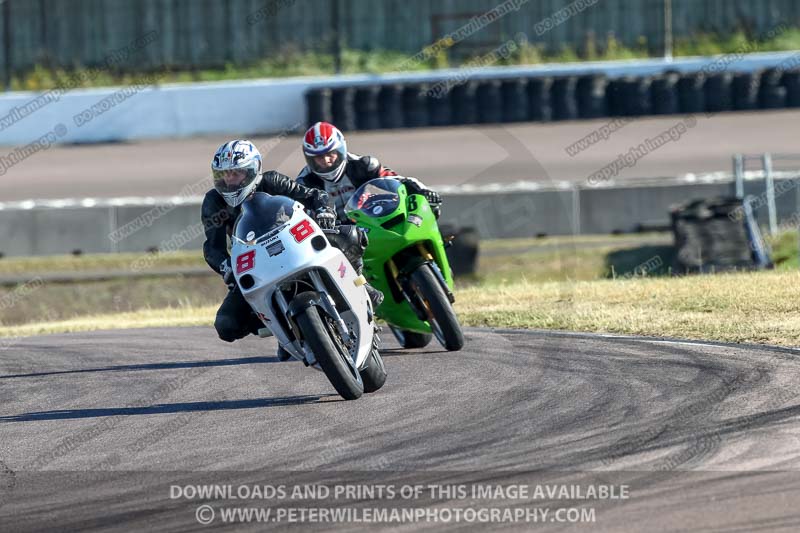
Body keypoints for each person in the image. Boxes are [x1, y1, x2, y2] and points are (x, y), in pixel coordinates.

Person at [202, 139, 336, 345]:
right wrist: (225, 266)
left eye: (236, 173)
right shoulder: (214, 201)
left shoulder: (272, 181)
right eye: (224, 174)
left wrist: (324, 210)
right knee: (226, 325)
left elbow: (313, 195)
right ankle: (281, 326)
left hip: (293, 245)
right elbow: (212, 247)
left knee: (346, 235)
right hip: (256, 261)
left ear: (252, 171)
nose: (229, 180)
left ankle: (364, 288)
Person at [297, 121, 442, 222]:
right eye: (319, 157)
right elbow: (295, 214)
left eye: (330, 154)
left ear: (340, 150)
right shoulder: (304, 183)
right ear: (310, 158)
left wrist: (423, 191)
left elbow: (398, 180)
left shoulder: (364, 165)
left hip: (371, 223)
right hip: (337, 238)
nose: (326, 160)